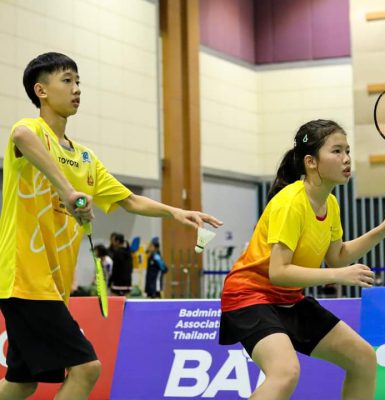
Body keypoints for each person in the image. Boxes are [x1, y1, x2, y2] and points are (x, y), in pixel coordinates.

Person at [0, 52, 222, 400]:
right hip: (25, 279)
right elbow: (21, 137)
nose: (76, 89)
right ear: (40, 91)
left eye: (78, 82)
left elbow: (129, 200)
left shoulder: (85, 158)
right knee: (87, 368)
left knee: (21, 383)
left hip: (52, 286)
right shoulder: (32, 131)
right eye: (67, 81)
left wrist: (177, 212)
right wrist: (67, 190)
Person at [219, 119, 385, 400]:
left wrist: (382, 231)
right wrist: (338, 276)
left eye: (347, 151)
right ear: (311, 162)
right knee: (285, 372)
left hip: (289, 299)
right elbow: (279, 271)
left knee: (363, 358)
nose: (346, 159)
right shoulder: (290, 203)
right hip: (250, 297)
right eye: (336, 151)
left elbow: (337, 257)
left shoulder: (330, 203)